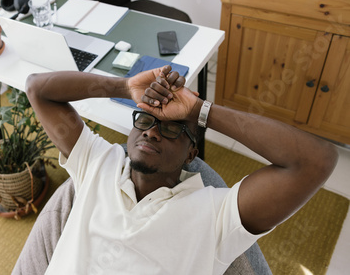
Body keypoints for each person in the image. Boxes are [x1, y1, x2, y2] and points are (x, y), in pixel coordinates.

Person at [20, 65, 337, 274]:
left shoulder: (214, 215)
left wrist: (199, 110)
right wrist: (125, 85)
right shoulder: (98, 162)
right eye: (146, 119)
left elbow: (315, 161)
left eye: (173, 128)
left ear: (192, 153)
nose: (152, 132)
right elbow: (37, 88)